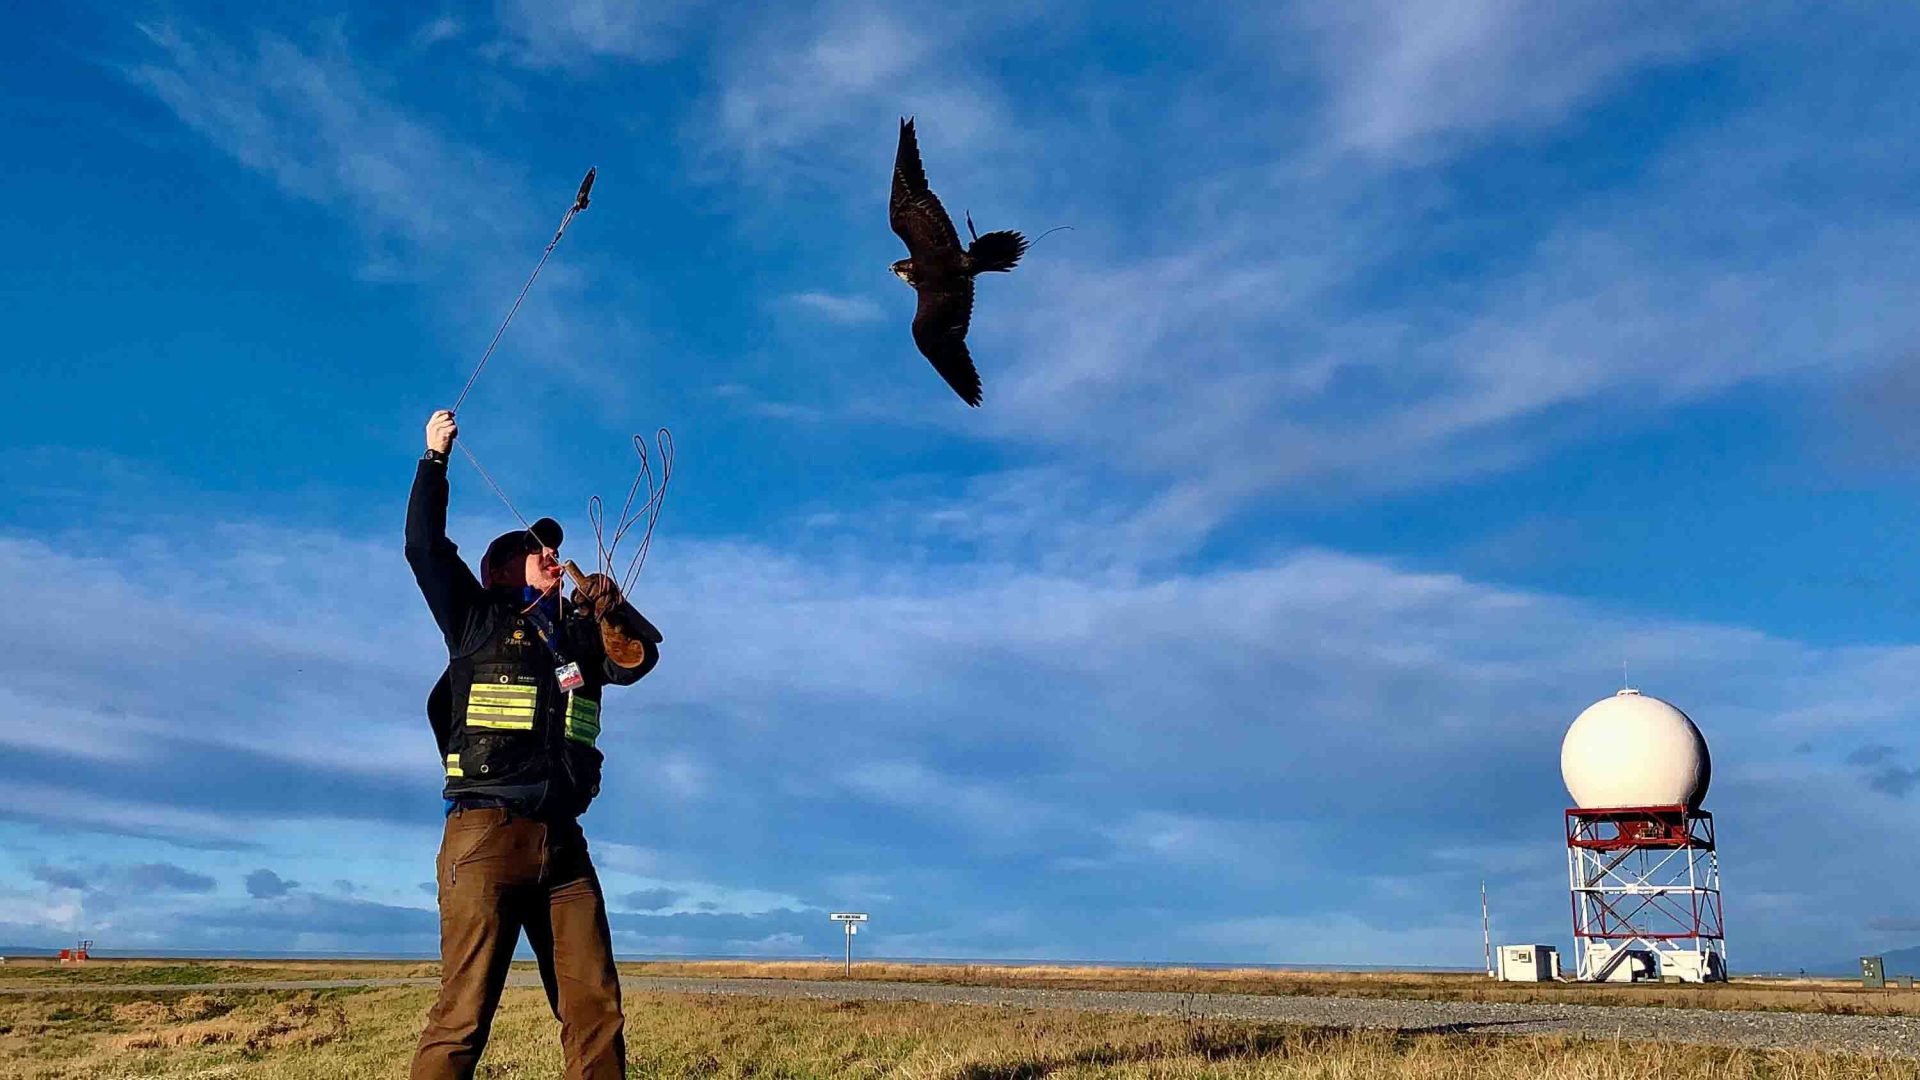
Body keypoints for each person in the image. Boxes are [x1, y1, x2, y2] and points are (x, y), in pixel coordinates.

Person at [405, 408, 659, 1080]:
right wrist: (434, 462)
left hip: (564, 845)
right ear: (503, 571)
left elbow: (638, 663)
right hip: (486, 835)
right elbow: (424, 549)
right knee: (462, 1020)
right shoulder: (476, 620)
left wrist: (614, 612)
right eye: (534, 549)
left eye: (553, 547)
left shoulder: (578, 638)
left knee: (596, 1011)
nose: (552, 554)